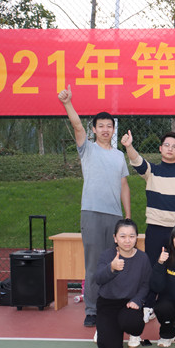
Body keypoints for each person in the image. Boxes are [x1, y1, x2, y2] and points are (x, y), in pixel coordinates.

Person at [58, 85, 131, 328]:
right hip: (91, 214)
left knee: (115, 262)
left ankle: (111, 305)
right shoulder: (87, 149)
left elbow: (124, 186)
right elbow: (77, 126)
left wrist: (127, 217)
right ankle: (91, 310)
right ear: (94, 129)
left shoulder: (119, 156)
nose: (105, 129)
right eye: (101, 126)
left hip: (115, 217)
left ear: (113, 129)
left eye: (109, 126)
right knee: (93, 265)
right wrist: (68, 103)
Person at [121, 130, 175, 320]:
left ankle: (171, 304)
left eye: (174, 146)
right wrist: (128, 146)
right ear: (160, 148)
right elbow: (137, 161)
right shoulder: (152, 171)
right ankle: (148, 305)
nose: (170, 149)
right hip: (155, 228)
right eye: (167, 145)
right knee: (152, 267)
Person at [94, 218, 151, 348]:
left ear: (136, 238)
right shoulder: (107, 255)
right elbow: (98, 279)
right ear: (115, 238)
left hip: (129, 304)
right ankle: (105, 327)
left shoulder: (143, 258)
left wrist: (137, 300)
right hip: (107, 303)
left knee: (134, 324)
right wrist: (111, 268)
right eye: (123, 236)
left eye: (131, 236)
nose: (127, 240)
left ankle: (129, 331)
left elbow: (146, 284)